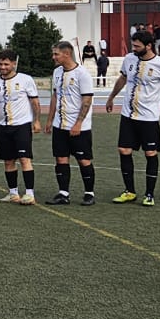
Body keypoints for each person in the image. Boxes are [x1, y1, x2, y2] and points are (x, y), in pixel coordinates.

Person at [104, 30, 160, 206]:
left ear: (148, 46)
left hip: (148, 118)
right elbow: (122, 78)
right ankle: (129, 191)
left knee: (150, 153)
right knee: (124, 150)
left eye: (137, 46)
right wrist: (111, 97)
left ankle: (149, 194)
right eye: (133, 45)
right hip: (128, 115)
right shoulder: (129, 59)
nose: (133, 48)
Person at [0, 49, 43, 204]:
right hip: (3, 126)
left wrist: (36, 121)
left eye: (6, 64)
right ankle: (13, 193)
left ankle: (30, 194)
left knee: (24, 159)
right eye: (0, 64)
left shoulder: (25, 80)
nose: (3, 67)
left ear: (14, 64)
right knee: (8, 161)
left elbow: (35, 102)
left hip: (22, 125)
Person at [48, 40, 97, 205]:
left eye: (56, 54)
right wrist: (50, 119)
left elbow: (87, 100)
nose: (53, 57)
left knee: (84, 160)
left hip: (79, 127)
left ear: (67, 54)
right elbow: (55, 96)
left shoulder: (82, 74)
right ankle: (63, 193)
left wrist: (78, 123)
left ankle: (89, 193)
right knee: (61, 159)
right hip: (59, 125)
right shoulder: (56, 72)